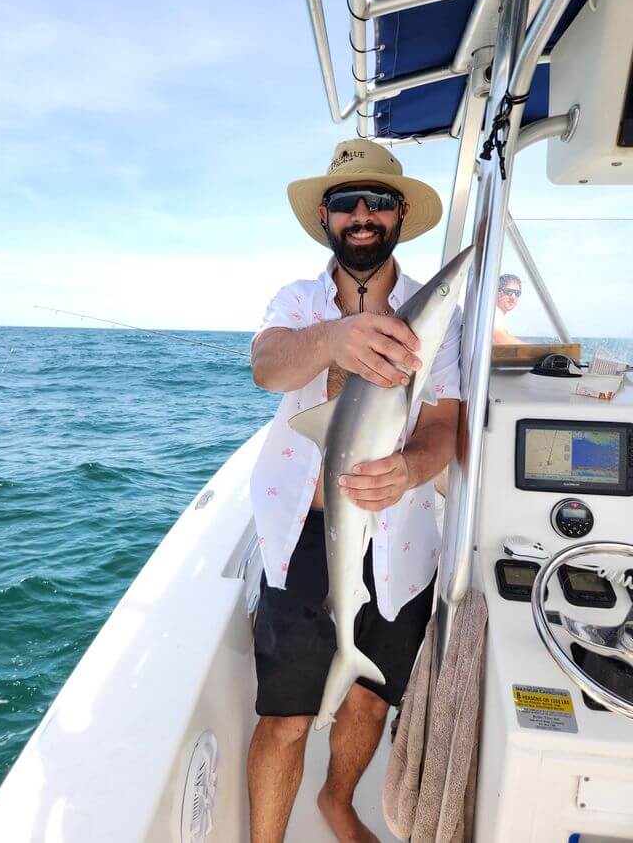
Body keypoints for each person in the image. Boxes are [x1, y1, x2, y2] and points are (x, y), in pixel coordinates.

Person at [248, 139, 461, 843]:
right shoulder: (300, 302)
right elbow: (268, 366)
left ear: (401, 213)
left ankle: (337, 803)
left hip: (398, 537)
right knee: (286, 718)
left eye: (376, 202)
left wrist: (413, 467)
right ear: (325, 215)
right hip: (305, 537)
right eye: (346, 202)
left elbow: (443, 425)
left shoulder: (440, 316)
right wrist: (334, 339)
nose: (361, 214)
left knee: (369, 701)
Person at [493, 273, 524, 344]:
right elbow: (502, 339)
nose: (513, 297)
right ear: (497, 292)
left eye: (517, 293)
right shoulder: (494, 313)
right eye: (508, 292)